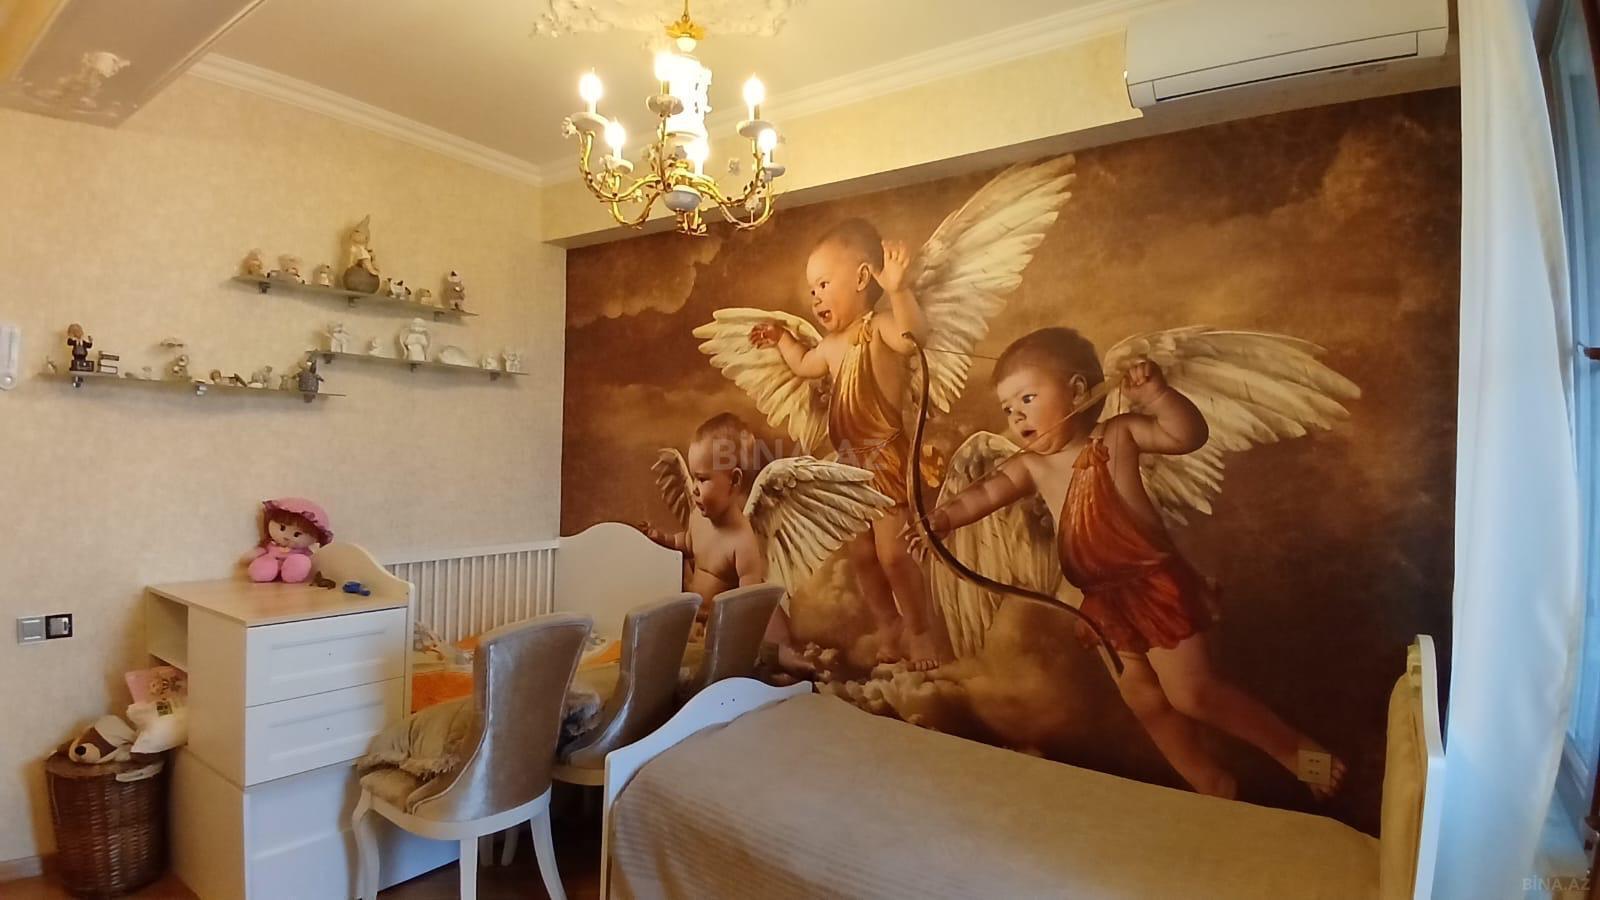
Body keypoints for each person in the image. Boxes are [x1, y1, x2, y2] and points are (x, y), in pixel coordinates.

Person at [906, 327, 1344, 799]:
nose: (1017, 416)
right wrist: (942, 520)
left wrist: (1156, 396)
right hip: (1103, 602)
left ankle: (1303, 756)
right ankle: (1211, 784)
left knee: (1193, 694)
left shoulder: (1118, 435)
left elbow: (1187, 435)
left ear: (1077, 391)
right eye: (1008, 408)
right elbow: (986, 492)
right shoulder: (1031, 464)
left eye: (1028, 399)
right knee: (1145, 701)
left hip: (1154, 584)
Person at [748, 219, 947, 669]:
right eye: (811, 289)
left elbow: (916, 338)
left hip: (886, 457)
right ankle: (889, 625)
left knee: (893, 554)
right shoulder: (830, 345)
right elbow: (803, 365)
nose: (815, 296)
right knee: (862, 556)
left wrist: (898, 289)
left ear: (860, 278)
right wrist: (783, 338)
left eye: (823, 284)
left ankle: (919, 630)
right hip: (850, 465)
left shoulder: (881, 326)